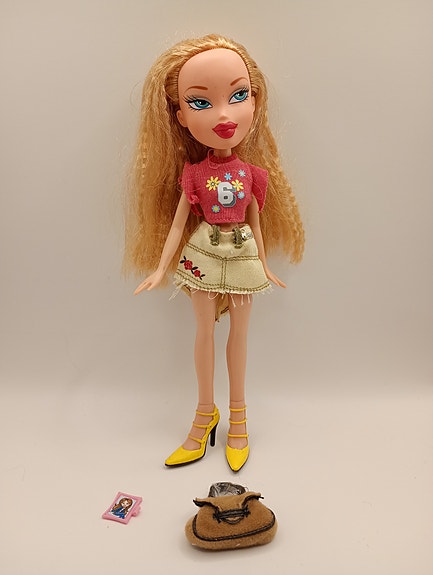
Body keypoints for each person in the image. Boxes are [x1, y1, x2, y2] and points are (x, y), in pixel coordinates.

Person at [123, 34, 304, 471]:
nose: (224, 115)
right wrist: (161, 268)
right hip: (203, 253)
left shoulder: (252, 174)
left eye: (238, 95)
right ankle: (205, 415)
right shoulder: (193, 173)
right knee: (203, 332)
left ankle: (238, 419)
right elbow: (178, 224)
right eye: (201, 103)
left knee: (239, 335)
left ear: (255, 102)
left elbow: (256, 223)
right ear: (181, 117)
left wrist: (264, 265)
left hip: (241, 255)